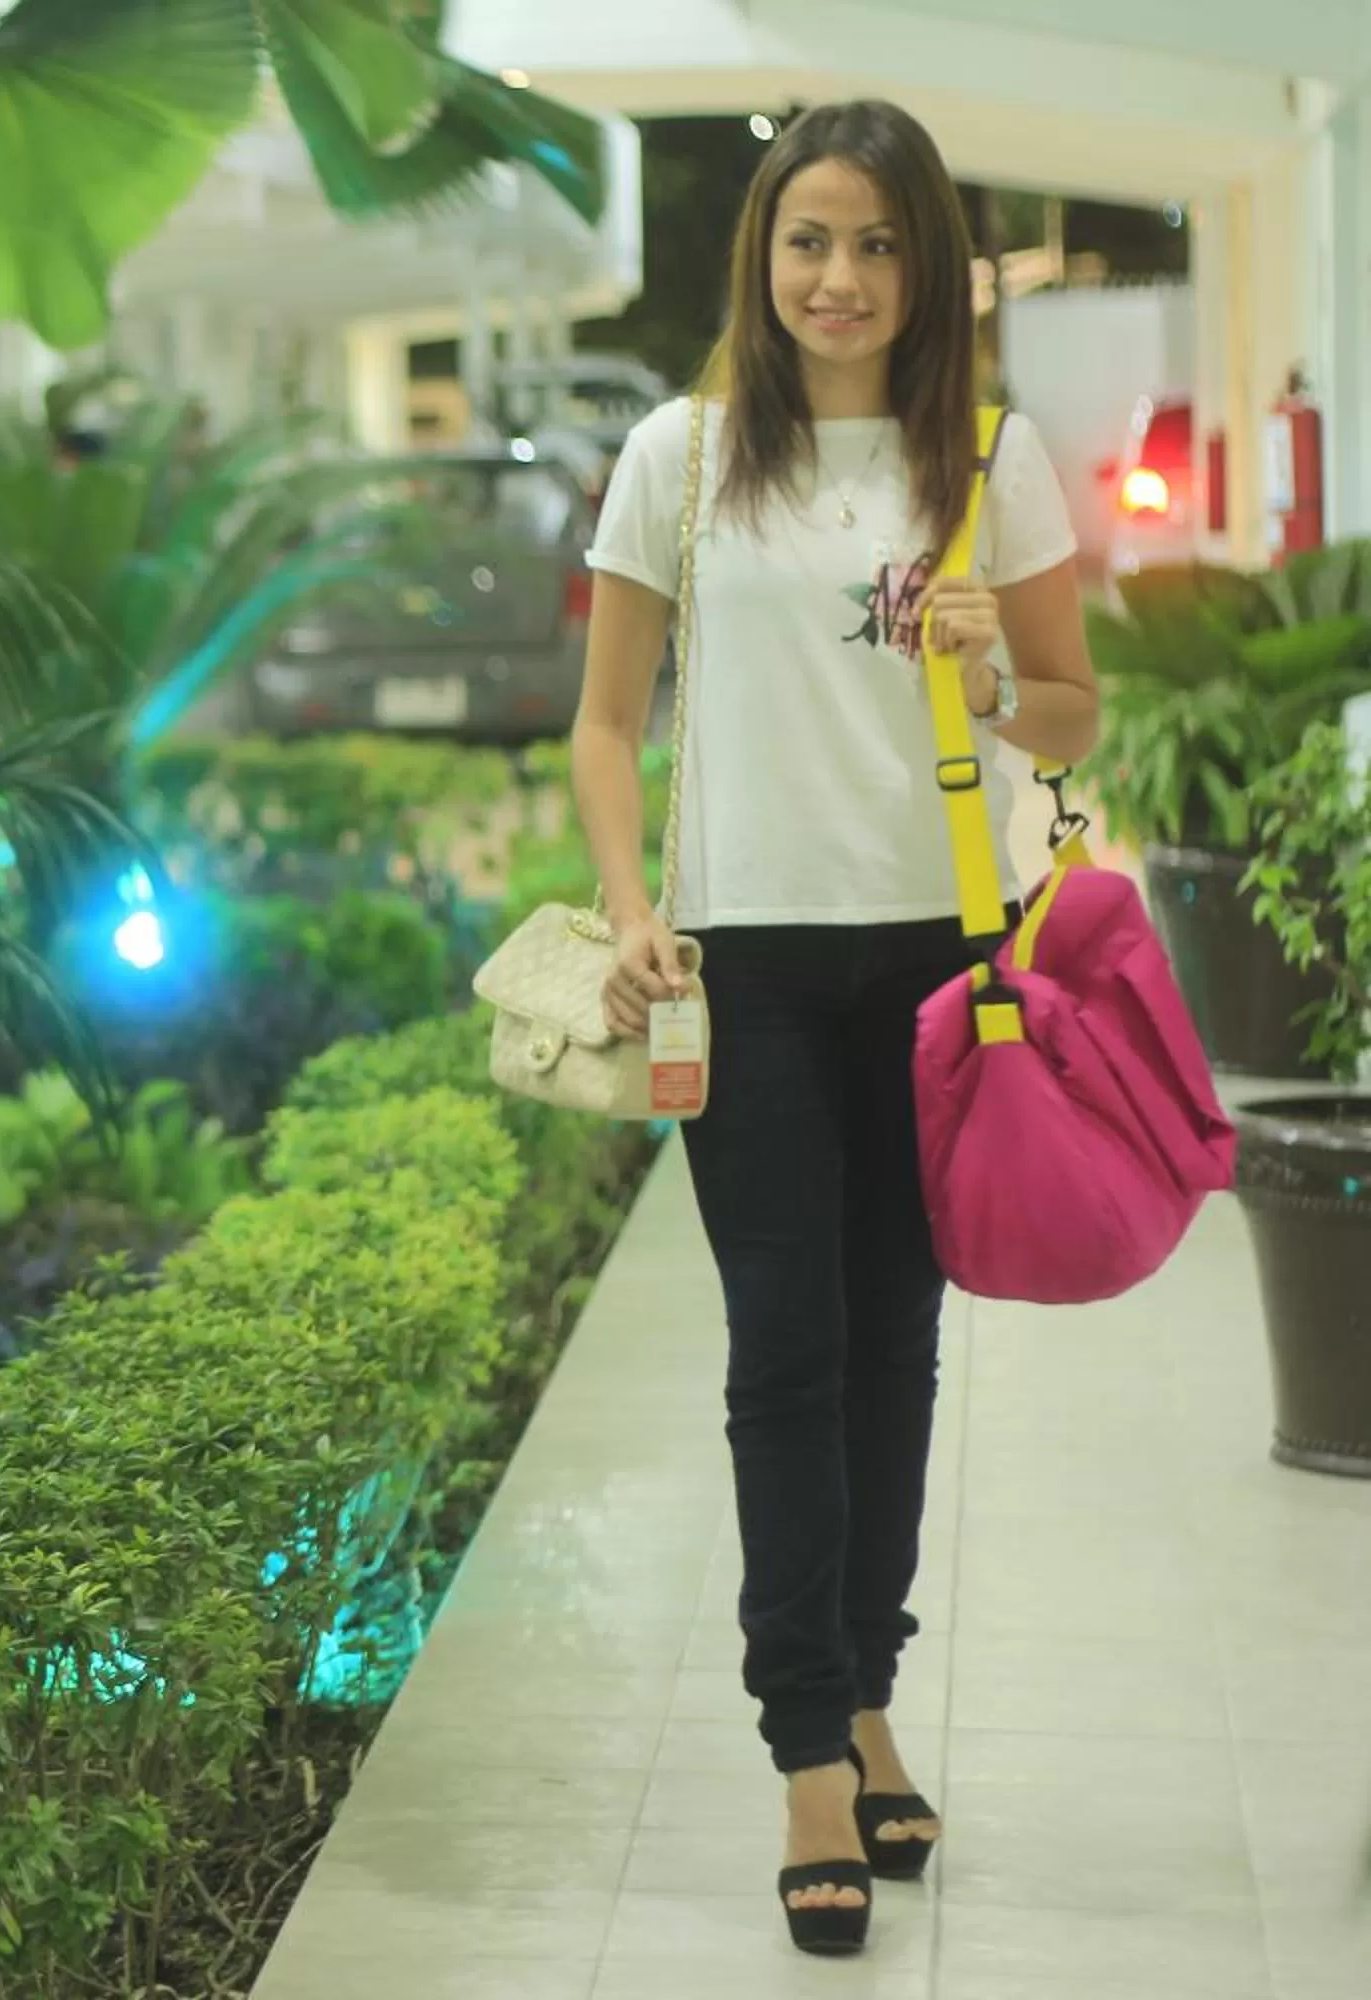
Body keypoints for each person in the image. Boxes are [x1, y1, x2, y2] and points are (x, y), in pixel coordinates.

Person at [568, 100, 1101, 1955]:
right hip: (753, 967)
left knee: (899, 1348)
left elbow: (1078, 717)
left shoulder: (989, 456)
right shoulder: (682, 454)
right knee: (784, 1352)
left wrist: (994, 670)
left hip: (947, 961)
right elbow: (603, 721)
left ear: (931, 267)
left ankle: (870, 1689)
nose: (842, 278)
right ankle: (810, 1745)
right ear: (762, 255)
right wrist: (638, 911)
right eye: (810, 239)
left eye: (878, 245)